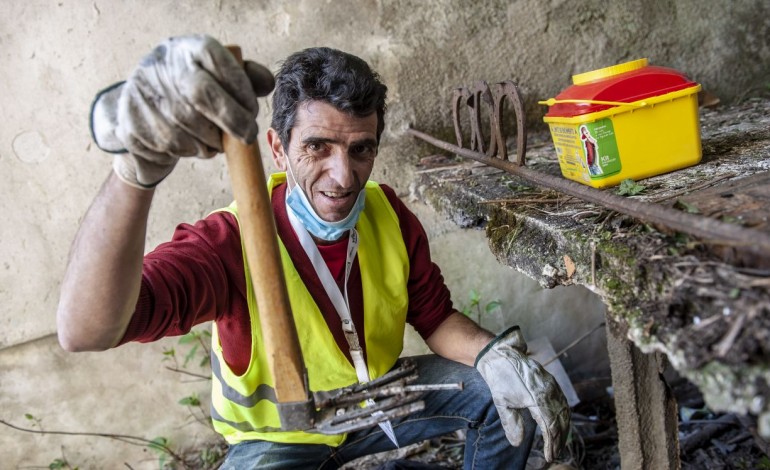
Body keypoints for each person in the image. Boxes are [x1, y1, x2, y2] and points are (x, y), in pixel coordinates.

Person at [57, 34, 570, 469]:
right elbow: (85, 330)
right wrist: (136, 170)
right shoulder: (230, 242)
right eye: (317, 146)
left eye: (360, 149)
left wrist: (493, 354)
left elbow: (434, 318)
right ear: (278, 148)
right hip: (276, 439)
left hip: (371, 402)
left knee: (500, 393)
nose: (343, 176)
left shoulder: (386, 214)